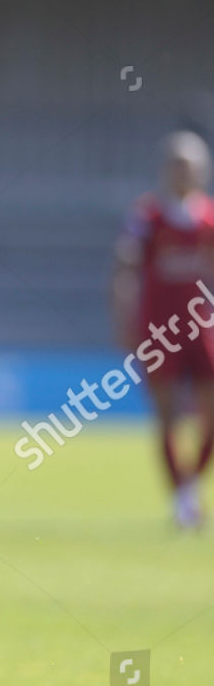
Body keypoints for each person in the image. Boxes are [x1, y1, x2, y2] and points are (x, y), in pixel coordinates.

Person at [112, 130, 214, 530]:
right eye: (177, 164)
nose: (183, 173)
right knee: (167, 417)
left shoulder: (209, 217)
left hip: (202, 330)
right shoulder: (147, 216)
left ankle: (187, 490)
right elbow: (125, 268)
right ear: (165, 169)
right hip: (159, 332)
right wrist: (125, 321)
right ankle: (182, 501)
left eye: (189, 166)